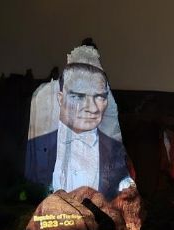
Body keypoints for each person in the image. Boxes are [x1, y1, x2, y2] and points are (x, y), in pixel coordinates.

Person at [25, 46, 134, 200]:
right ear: (61, 99)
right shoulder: (39, 143)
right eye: (79, 97)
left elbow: (121, 191)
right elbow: (29, 188)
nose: (92, 109)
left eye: (99, 97)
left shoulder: (113, 148)